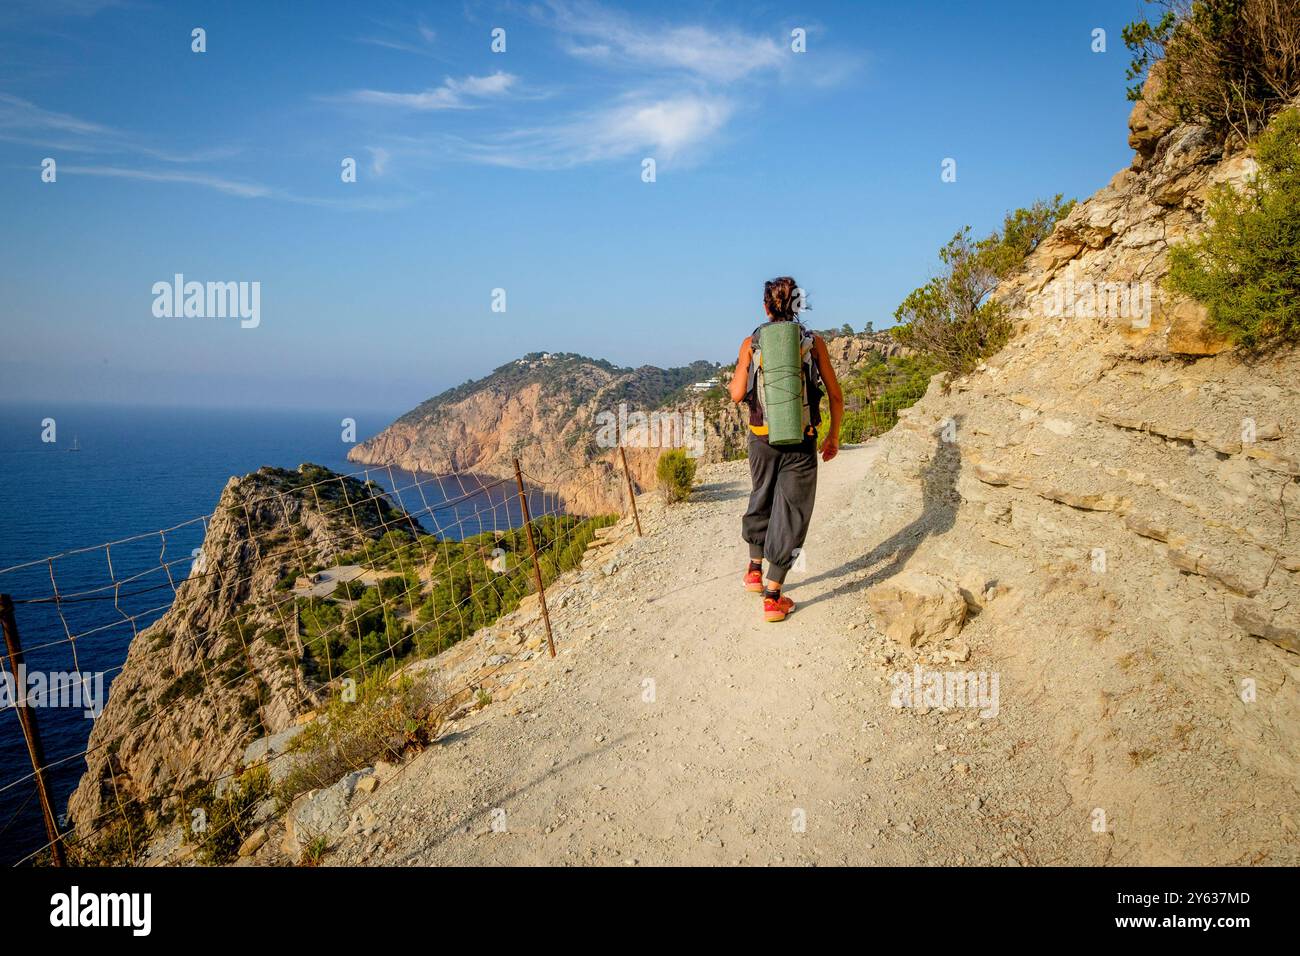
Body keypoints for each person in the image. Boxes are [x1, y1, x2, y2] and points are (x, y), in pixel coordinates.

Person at [728, 277, 843, 622]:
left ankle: (753, 569)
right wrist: (833, 436)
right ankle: (773, 595)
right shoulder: (813, 343)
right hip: (801, 437)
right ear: (797, 306)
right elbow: (835, 395)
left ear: (765, 307)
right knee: (792, 510)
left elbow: (736, 394)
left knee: (761, 495)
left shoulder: (752, 342)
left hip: (761, 437)